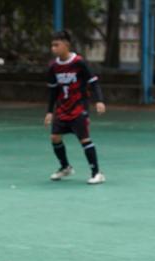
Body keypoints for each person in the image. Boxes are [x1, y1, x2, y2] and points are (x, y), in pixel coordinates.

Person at [44, 30, 106, 184]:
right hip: (62, 108)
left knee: (84, 139)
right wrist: (49, 111)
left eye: (56, 45)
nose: (53, 48)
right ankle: (65, 167)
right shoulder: (53, 67)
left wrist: (99, 100)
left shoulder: (79, 63)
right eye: (52, 45)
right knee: (55, 137)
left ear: (66, 45)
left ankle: (97, 173)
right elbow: (53, 91)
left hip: (79, 107)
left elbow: (93, 82)